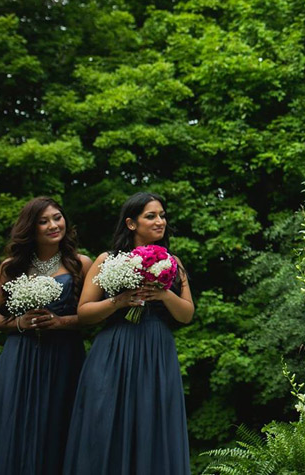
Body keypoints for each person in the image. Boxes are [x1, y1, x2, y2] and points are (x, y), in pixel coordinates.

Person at [63, 192, 194, 475]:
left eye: (162, 215)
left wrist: (162, 295)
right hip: (114, 348)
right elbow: (84, 313)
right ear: (131, 223)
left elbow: (186, 314)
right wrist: (119, 301)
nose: (160, 221)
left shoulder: (174, 262)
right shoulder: (107, 260)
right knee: (105, 419)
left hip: (156, 349)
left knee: (153, 422)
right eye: (151, 216)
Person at [0, 197, 92, 474]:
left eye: (57, 217)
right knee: (16, 422)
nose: (54, 225)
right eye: (44, 221)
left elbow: (94, 316)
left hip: (66, 356)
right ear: (31, 227)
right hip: (21, 356)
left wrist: (61, 321)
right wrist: (20, 323)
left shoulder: (82, 264)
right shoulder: (11, 268)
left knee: (59, 423)